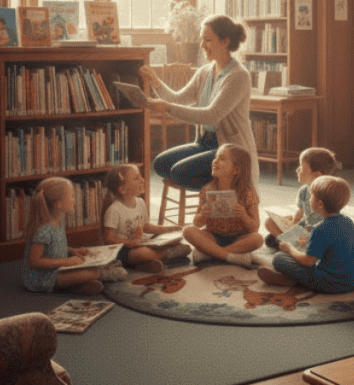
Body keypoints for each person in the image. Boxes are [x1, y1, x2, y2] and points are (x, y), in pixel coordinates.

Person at [140, 14, 259, 190]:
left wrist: (166, 108)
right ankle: (217, 183)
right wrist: (155, 81)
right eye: (202, 40)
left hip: (228, 149)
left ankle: (217, 189)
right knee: (160, 164)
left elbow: (211, 116)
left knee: (180, 173)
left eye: (207, 40)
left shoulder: (238, 76)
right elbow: (178, 98)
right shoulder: (204, 72)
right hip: (204, 143)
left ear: (225, 41)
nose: (202, 45)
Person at [257, 175, 354, 293]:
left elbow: (308, 261)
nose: (309, 199)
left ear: (320, 204)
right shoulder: (347, 221)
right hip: (353, 281)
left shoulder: (322, 228)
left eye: (312, 196)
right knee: (304, 252)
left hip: (332, 283)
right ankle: (295, 280)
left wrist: (289, 249)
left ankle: (293, 281)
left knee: (279, 258)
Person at [182, 144, 264, 268]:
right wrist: (203, 215)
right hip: (213, 236)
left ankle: (210, 253)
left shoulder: (247, 192)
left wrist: (244, 215)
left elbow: (254, 228)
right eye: (216, 157)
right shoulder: (207, 190)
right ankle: (231, 256)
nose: (215, 161)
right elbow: (197, 223)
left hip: (239, 238)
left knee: (257, 239)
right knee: (187, 231)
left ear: (236, 169)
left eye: (222, 158)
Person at [101, 164, 192, 274]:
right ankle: (165, 254)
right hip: (123, 251)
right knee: (143, 253)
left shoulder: (140, 202)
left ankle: (144, 264)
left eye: (140, 176)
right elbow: (108, 238)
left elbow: (146, 226)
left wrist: (171, 229)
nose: (143, 180)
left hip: (142, 243)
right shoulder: (114, 210)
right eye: (136, 178)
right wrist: (128, 243)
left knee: (176, 242)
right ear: (123, 189)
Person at [21, 177, 103, 295]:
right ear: (58, 203)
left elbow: (55, 246)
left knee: (94, 269)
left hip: (58, 269)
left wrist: (72, 250)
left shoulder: (59, 221)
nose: (74, 200)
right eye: (72, 196)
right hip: (41, 278)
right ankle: (74, 287)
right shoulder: (43, 229)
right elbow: (34, 261)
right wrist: (67, 262)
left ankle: (77, 285)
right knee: (94, 273)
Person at [263, 147, 338, 249]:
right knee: (269, 223)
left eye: (301, 167)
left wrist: (307, 229)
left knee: (273, 240)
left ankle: (294, 246)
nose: (297, 169)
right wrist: (292, 221)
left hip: (319, 232)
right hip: (303, 228)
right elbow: (300, 212)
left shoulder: (328, 194)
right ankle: (292, 244)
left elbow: (329, 222)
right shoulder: (304, 190)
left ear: (316, 175)